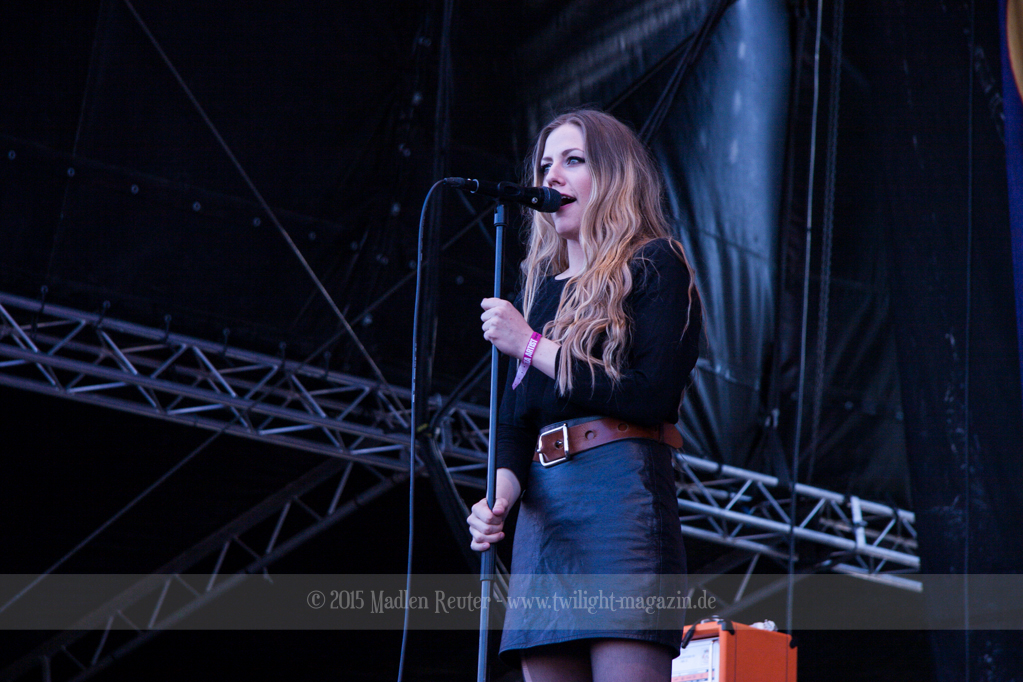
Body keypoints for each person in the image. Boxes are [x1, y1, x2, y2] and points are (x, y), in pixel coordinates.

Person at [466, 109, 702, 682]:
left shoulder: (657, 264)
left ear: (615, 175)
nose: (552, 176)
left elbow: (649, 395)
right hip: (546, 518)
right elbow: (517, 422)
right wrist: (498, 499)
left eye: (573, 161)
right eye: (546, 165)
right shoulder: (543, 294)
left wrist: (531, 344)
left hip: (620, 503)